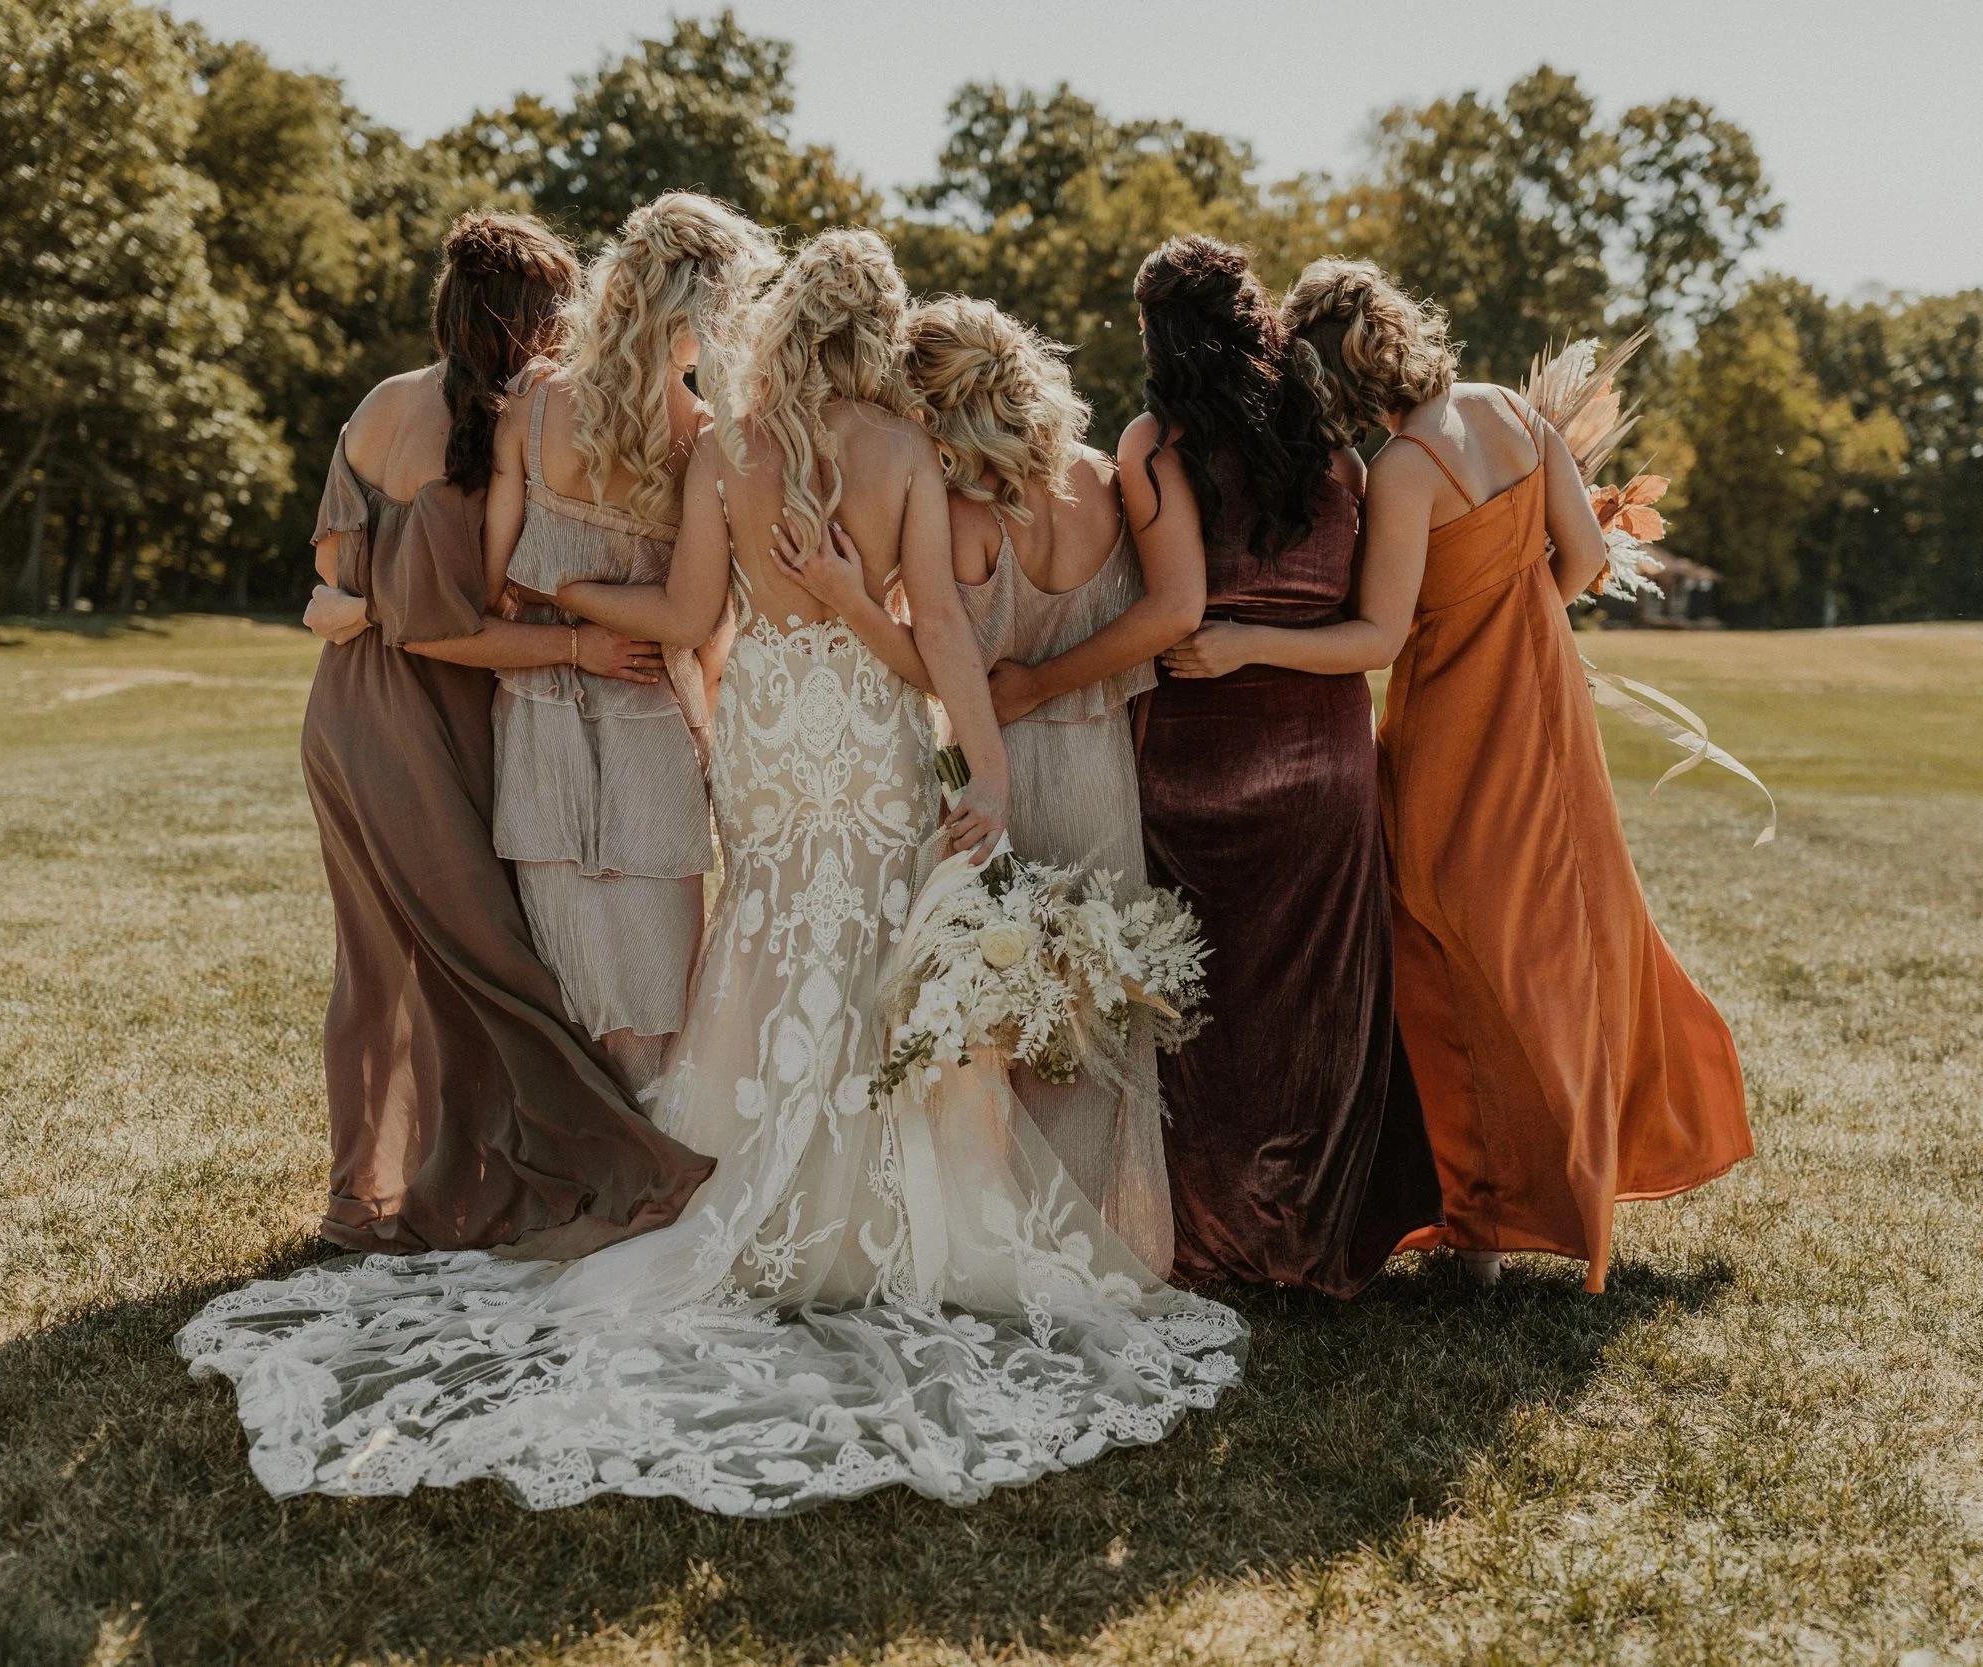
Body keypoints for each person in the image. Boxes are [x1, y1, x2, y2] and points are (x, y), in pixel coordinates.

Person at [180, 229, 1244, 1518]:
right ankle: (871, 1210)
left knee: (766, 931)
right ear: (874, 330)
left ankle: (728, 1191)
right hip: (858, 728)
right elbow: (939, 639)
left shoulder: (727, 448)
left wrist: (573, 593)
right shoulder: (903, 452)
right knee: (864, 942)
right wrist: (990, 769)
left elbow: (691, 620)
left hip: (767, 743)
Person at [1197, 258, 1753, 1292]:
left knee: (1459, 935)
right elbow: (1581, 560)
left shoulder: (1401, 470)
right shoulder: (1507, 408)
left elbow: (1373, 637)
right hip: (1548, 709)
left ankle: (1489, 1223)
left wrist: (1241, 645)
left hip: (1460, 725)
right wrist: (1518, 618)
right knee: (1567, 925)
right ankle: (1532, 1191)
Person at [289, 212, 715, 1258]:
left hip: (340, 708)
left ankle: (368, 1193)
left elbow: (335, 583)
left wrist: (360, 611)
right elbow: (451, 625)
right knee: (485, 961)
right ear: (536, 321)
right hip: (433, 711)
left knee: (377, 964)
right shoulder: (491, 422)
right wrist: (573, 645)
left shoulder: (380, 402)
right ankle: (603, 1160)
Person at [777, 294, 1192, 1275]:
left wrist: (847, 600)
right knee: (1098, 1005)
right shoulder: (1099, 483)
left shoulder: (960, 514)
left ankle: (1015, 1246)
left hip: (995, 779)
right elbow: (1142, 625)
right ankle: (1112, 1242)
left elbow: (940, 670)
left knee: (1000, 1018)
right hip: (1098, 769)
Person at [1125, 235, 1440, 1298]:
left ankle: (1204, 1230)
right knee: (1310, 997)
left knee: (1200, 1004)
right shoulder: (1340, 460)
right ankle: (1304, 1228)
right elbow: (1368, 629)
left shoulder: (1153, 448)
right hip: (1318, 759)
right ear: (1256, 321)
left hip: (1191, 754)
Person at [477, 192, 775, 1093]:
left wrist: (563, 596)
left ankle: (591, 1155)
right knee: (660, 977)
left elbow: (488, 587)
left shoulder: (533, 405)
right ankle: (656, 1158)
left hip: (536, 720)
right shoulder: (704, 441)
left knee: (566, 962)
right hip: (654, 720)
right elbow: (700, 625)